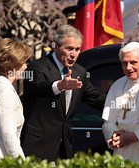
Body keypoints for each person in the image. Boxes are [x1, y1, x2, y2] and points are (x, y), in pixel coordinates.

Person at [21, 25, 106, 161]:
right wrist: (60, 85)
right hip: (37, 147)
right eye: (69, 48)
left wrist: (122, 103)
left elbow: (96, 98)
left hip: (64, 148)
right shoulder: (37, 67)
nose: (73, 54)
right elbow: (37, 87)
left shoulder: (79, 72)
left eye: (77, 49)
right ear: (56, 46)